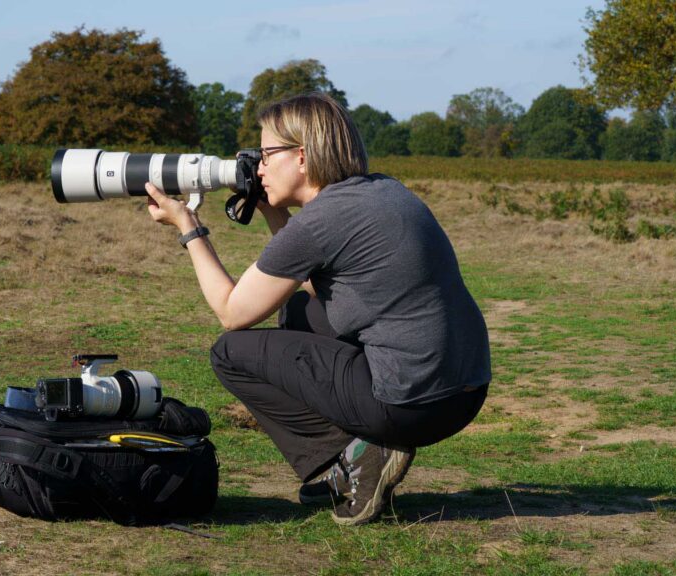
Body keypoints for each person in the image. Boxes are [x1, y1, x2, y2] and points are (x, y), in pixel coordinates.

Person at [144, 92, 491, 525]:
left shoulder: (321, 220)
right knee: (295, 311)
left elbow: (232, 312)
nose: (260, 166)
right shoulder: (381, 190)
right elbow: (316, 279)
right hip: (464, 392)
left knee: (229, 353)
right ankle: (363, 455)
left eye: (267, 154)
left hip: (410, 406)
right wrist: (274, 211)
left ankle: (358, 459)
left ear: (303, 157)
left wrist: (189, 227)